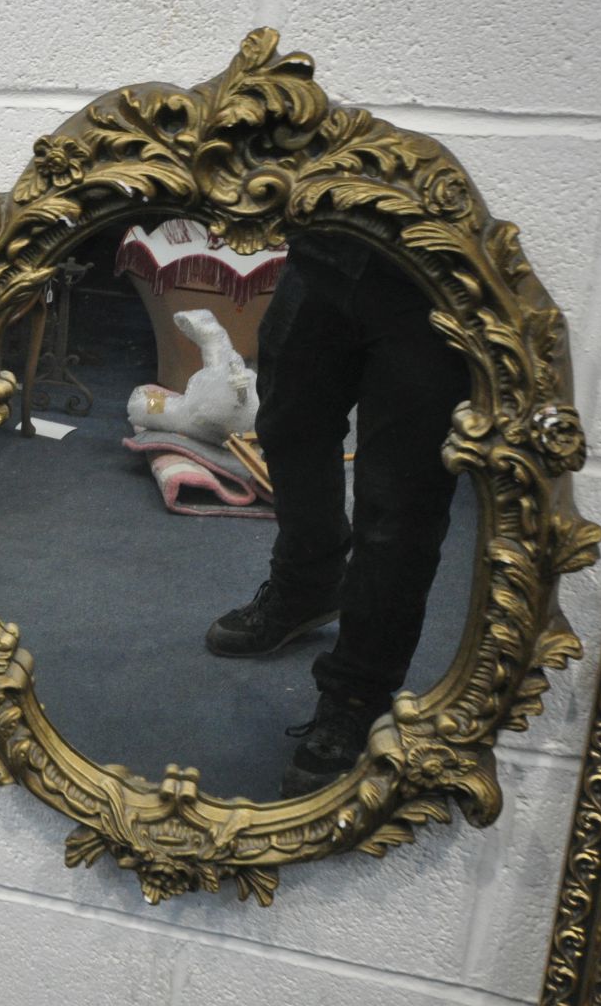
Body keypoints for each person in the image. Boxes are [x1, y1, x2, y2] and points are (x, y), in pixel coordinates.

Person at [203, 230, 468, 797]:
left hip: (433, 276)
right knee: (286, 426)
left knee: (400, 502)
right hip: (326, 247)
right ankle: (307, 587)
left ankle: (356, 693)